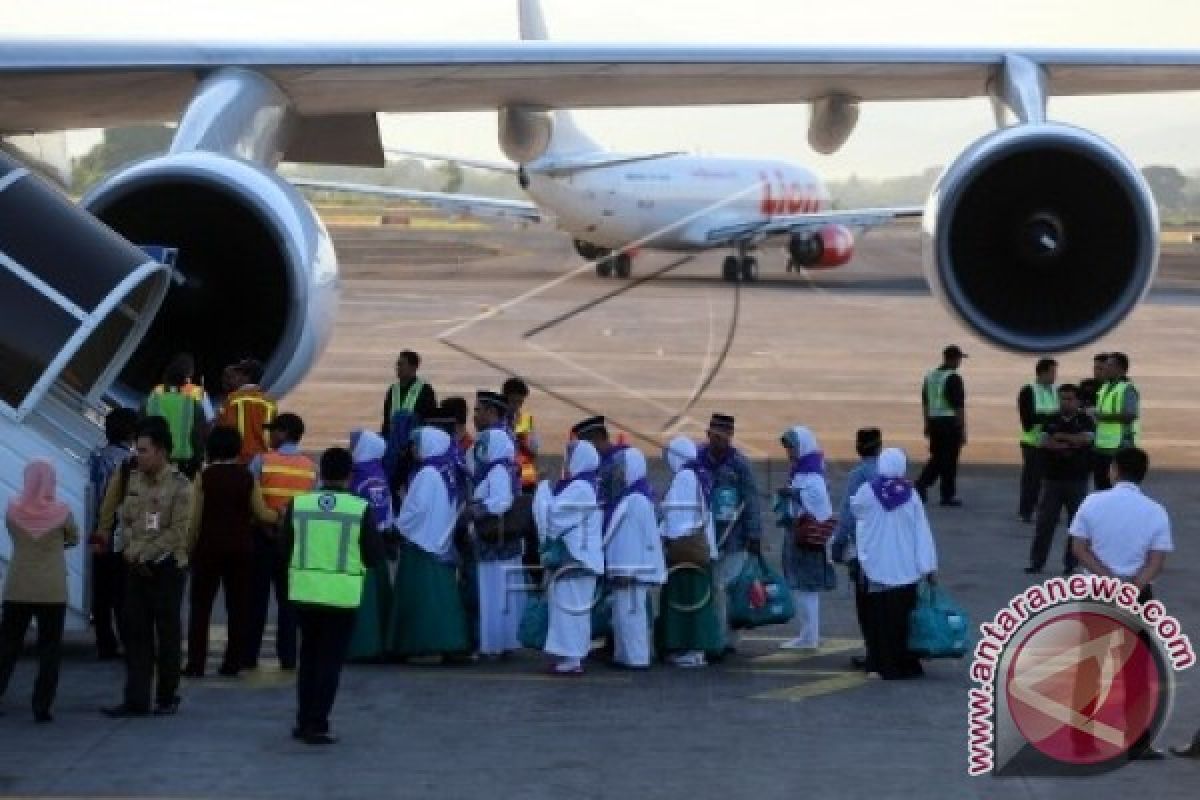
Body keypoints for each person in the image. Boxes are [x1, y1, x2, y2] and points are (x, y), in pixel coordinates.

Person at [1069, 447, 1171, 761]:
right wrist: (1134, 585)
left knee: (1091, 666)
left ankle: (1083, 742)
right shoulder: (1155, 511)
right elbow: (1157, 560)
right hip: (1137, 593)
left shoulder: (1092, 502)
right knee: (1137, 668)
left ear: (1114, 470)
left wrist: (1107, 577)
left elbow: (1079, 549)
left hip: (1098, 589)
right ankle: (1137, 741)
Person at [284, 448, 386, 745]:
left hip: (304, 592)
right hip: (341, 596)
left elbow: (284, 547)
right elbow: (375, 555)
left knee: (309, 658)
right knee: (329, 662)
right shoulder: (358, 508)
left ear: (321, 472)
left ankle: (304, 720)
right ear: (349, 476)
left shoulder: (299, 504)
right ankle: (318, 723)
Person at [100, 422, 193, 717]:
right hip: (135, 569)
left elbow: (178, 532)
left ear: (161, 451)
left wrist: (143, 553)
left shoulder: (181, 486)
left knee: (167, 634)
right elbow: (123, 518)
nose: (138, 456)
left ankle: (167, 695)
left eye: (144, 451)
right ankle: (136, 698)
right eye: (136, 450)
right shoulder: (133, 479)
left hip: (165, 568)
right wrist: (124, 548)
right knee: (135, 634)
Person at [183, 427, 278, 678]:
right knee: (238, 608)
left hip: (208, 549)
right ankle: (232, 662)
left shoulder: (203, 477)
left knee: (200, 608)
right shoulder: (247, 478)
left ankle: (196, 664)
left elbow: (193, 518)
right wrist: (278, 515)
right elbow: (260, 513)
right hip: (242, 549)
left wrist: (187, 549)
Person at [0, 460, 79, 722]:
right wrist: (56, 545)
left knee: (8, 646)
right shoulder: (62, 512)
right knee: (49, 649)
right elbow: (74, 537)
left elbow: (12, 534)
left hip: (18, 585)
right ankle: (41, 706)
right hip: (51, 588)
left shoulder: (12, 509)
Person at [851, 448, 938, 680]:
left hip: (878, 567)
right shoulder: (911, 494)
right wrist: (928, 566)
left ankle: (879, 664)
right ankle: (903, 663)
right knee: (902, 619)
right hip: (905, 568)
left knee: (878, 619)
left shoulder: (868, 491)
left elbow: (856, 509)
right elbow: (922, 531)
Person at [388, 428, 471, 661]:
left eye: (416, 444)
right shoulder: (448, 470)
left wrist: (398, 524)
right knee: (442, 599)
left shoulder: (427, 473)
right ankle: (450, 644)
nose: (413, 449)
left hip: (421, 542)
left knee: (419, 598)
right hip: (440, 540)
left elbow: (416, 509)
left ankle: (414, 644)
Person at [246, 412, 316, 671]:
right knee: (289, 603)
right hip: (293, 540)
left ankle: (249, 655)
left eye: (273, 430)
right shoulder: (310, 467)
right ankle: (288, 657)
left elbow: (249, 497)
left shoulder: (261, 461)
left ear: (284, 432)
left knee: (257, 600)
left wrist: (266, 522)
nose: (269, 435)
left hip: (262, 537)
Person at [534, 440, 604, 675]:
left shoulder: (581, 487)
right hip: (583, 558)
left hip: (576, 558)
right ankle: (571, 656)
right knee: (574, 609)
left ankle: (571, 659)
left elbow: (554, 517)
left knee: (569, 608)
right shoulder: (589, 484)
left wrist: (542, 488)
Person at [696, 413, 762, 652]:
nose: (718, 441)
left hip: (733, 537)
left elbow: (751, 499)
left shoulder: (740, 465)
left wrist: (754, 534)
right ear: (708, 435)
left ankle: (725, 637)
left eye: (723, 436)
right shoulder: (696, 460)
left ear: (731, 437)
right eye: (715, 436)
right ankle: (714, 633)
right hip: (704, 536)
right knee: (711, 587)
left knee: (725, 586)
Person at [656, 437, 723, 668]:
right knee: (697, 601)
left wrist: (664, 533)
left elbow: (679, 516)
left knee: (687, 601)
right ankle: (695, 648)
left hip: (685, 551)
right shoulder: (698, 474)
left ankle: (693, 650)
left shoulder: (685, 477)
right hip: (699, 549)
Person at [465, 427, 526, 659]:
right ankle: (504, 640)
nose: (480, 450)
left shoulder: (498, 470)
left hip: (494, 542)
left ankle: (494, 643)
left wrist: (476, 510)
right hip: (503, 544)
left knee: (493, 592)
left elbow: (502, 502)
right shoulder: (503, 468)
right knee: (501, 594)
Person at [603, 447, 665, 669]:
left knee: (632, 616)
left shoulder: (636, 499)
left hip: (631, 570)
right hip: (627, 568)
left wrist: (627, 571)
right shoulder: (632, 496)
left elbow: (637, 540)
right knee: (622, 615)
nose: (618, 474)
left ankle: (637, 658)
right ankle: (624, 655)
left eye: (622, 469)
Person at [776, 426, 836, 651]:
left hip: (807, 538)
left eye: (792, 447)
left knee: (806, 588)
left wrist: (793, 494)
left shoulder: (811, 475)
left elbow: (818, 502)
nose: (789, 452)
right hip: (798, 535)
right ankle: (808, 634)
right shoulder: (802, 471)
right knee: (802, 588)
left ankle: (809, 636)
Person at [1025, 385, 1094, 575]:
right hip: (1052, 479)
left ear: (1078, 401)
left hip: (1077, 480)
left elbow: (1086, 439)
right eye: (1063, 398)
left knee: (1076, 525)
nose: (1065, 402)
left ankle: (1070, 564)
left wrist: (1061, 437)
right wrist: (1068, 444)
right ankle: (1037, 562)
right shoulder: (1051, 419)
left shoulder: (1086, 420)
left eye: (1070, 399)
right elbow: (1043, 441)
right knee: (1044, 523)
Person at [88, 406, 138, 660]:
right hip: (119, 533)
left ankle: (105, 643)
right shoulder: (128, 462)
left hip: (97, 530)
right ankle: (129, 643)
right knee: (122, 592)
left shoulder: (97, 456)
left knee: (101, 592)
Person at [830, 428, 882, 670]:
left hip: (863, 551)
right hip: (889, 551)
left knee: (866, 605)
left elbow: (848, 516)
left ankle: (873, 652)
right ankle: (886, 651)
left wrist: (837, 546)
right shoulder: (892, 474)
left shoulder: (859, 475)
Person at [346, 430, 396, 662]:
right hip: (376, 545)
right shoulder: (376, 472)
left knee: (364, 600)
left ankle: (362, 645)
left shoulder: (363, 476)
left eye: (354, 444)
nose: (350, 447)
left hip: (362, 546)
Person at [915, 345, 967, 507]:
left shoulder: (930, 376)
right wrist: (962, 429)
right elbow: (959, 406)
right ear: (953, 359)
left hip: (934, 422)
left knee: (939, 457)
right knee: (948, 460)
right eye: (959, 358)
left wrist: (926, 423)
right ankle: (936, 490)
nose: (960, 362)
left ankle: (933, 488)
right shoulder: (954, 378)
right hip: (949, 424)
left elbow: (925, 403)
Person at [143, 355, 207, 478]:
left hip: (152, 458)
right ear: (188, 378)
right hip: (181, 465)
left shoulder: (153, 396)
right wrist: (198, 462)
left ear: (165, 376)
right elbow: (199, 436)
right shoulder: (196, 400)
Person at [1016, 358, 1059, 523]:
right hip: (1033, 443)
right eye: (1052, 372)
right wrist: (1051, 418)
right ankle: (1026, 511)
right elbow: (1027, 419)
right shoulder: (1028, 391)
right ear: (1043, 372)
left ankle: (1046, 510)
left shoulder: (1056, 391)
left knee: (1052, 481)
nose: (1055, 376)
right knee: (1032, 481)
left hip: (1052, 444)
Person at [1092, 352, 1140, 490]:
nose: (1105, 368)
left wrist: (1101, 416)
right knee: (1101, 489)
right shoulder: (1104, 387)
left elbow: (1130, 414)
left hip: (1118, 447)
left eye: (1109, 365)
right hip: (1101, 447)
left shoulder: (1126, 389)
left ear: (1121, 369)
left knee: (1116, 488)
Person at [216, 359, 277, 465]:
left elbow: (223, 430)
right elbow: (273, 434)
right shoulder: (270, 402)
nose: (235, 377)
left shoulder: (232, 400)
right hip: (263, 460)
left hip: (239, 459)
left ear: (246, 377)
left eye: (238, 373)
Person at [381, 350, 438, 440]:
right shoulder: (393, 389)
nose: (398, 368)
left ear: (414, 367)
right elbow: (386, 420)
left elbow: (430, 420)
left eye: (401, 364)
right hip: (393, 442)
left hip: (415, 443)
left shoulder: (425, 390)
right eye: (397, 364)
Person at [502, 377, 540, 493]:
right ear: (504, 398)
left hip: (526, 475)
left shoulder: (525, 420)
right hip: (505, 474)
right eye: (513, 401)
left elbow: (535, 449)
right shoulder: (496, 421)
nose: (517, 406)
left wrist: (522, 439)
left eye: (520, 402)